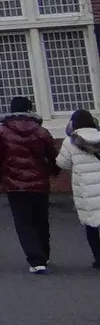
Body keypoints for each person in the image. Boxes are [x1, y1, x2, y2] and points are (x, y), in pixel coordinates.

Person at [0, 95, 60, 273]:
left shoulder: (1, 132)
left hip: (14, 184)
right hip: (40, 184)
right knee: (41, 220)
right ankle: (44, 254)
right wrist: (52, 172)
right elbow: (53, 156)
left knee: (24, 222)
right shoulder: (41, 131)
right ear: (29, 109)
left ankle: (36, 260)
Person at [55, 108, 100, 270]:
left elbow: (62, 164)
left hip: (86, 189)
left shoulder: (70, 142)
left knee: (92, 224)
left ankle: (98, 258)